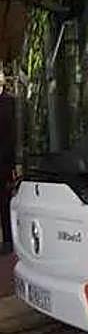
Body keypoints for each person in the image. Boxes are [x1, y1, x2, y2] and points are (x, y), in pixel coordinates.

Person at [0, 68, 13, 254]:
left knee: (4, 200)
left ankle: (9, 239)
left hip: (4, 159)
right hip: (5, 158)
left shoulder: (9, 103)